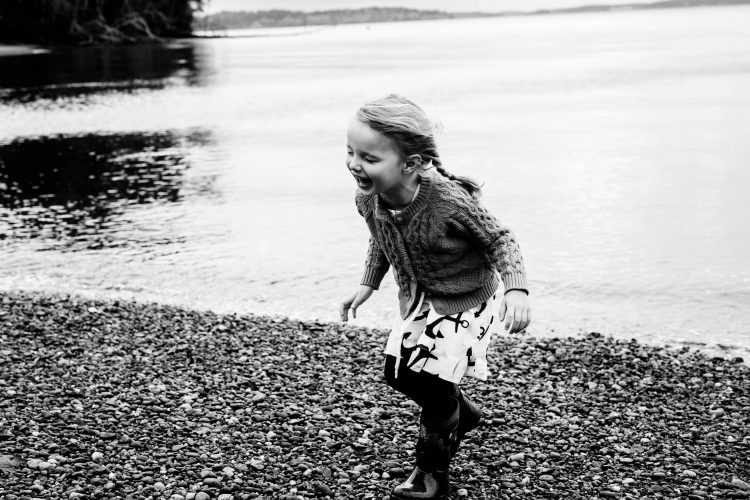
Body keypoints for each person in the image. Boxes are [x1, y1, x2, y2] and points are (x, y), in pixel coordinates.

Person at [339, 94, 531, 500]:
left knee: (428, 383)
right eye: (351, 152)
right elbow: (382, 238)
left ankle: (431, 474)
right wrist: (368, 283)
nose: (355, 163)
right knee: (397, 373)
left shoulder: (446, 201)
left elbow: (500, 238)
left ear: (410, 163)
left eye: (369, 158)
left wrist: (517, 288)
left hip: (466, 299)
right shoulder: (368, 198)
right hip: (420, 297)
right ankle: (459, 413)